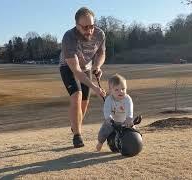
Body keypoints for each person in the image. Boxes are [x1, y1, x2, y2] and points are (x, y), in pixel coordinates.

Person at [59, 7, 106, 148]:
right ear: (77, 25)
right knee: (77, 95)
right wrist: (95, 87)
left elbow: (101, 54)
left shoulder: (100, 34)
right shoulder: (69, 37)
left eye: (92, 26)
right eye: (85, 27)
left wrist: (97, 66)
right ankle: (77, 135)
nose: (89, 30)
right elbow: (76, 71)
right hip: (69, 67)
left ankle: (75, 125)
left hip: (86, 68)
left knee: (84, 103)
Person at [96, 74, 140, 151]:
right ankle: (100, 143)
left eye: (123, 89)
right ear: (110, 90)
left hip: (125, 121)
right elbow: (106, 110)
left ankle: (136, 143)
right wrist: (108, 118)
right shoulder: (109, 99)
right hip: (112, 122)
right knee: (104, 131)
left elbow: (130, 108)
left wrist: (129, 118)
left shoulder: (127, 99)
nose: (121, 91)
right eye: (116, 90)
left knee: (133, 131)